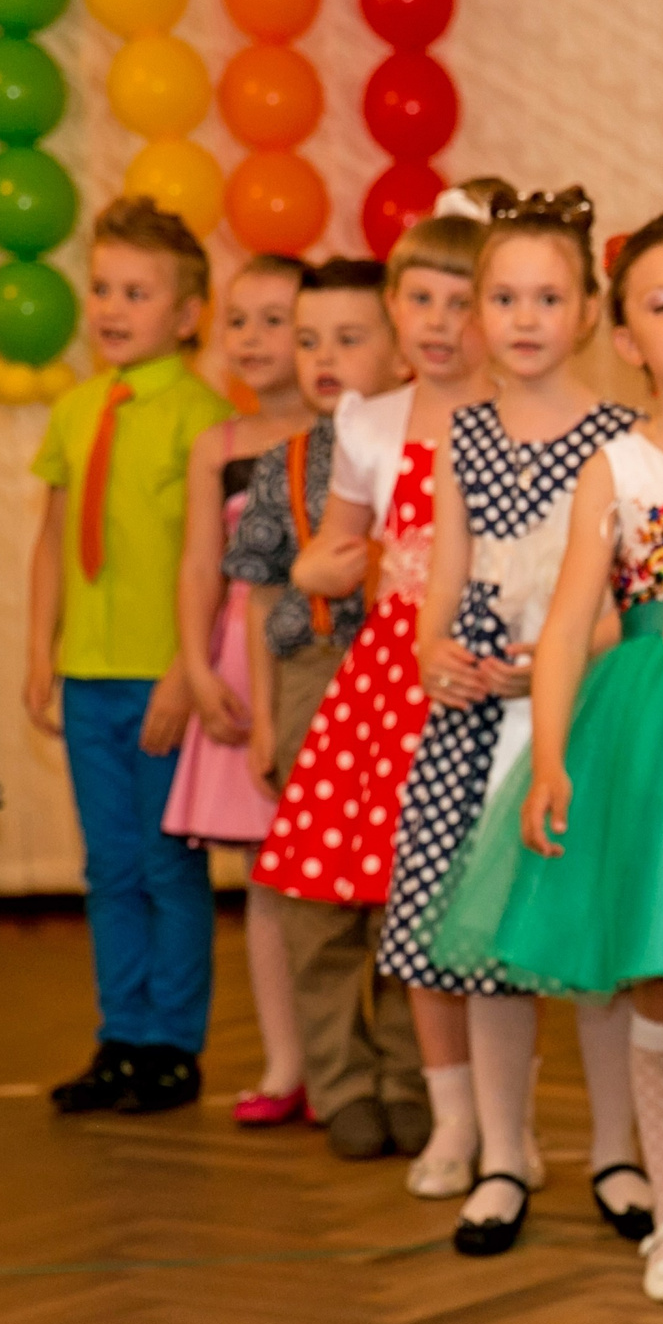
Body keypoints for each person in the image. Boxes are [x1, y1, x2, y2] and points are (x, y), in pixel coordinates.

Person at [423, 211, 663, 1302]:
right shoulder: (613, 464)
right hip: (647, 743)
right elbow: (573, 621)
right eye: (662, 306)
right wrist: (557, 755)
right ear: (624, 339)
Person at [379, 186, 638, 1257]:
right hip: (476, 723)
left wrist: (557, 664)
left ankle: (616, 1152)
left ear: (586, 311)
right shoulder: (463, 437)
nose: (524, 317)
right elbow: (443, 576)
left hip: (579, 714)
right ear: (477, 312)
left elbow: (630, 596)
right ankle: (499, 1150)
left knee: (595, 949)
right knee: (479, 944)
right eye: (503, 297)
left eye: (548, 296)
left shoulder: (619, 435)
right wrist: (438, 650)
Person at [265, 192, 522, 1197]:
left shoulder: (519, 412)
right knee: (408, 908)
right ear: (395, 305)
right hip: (391, 682)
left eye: (465, 302)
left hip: (493, 676)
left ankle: (498, 1119)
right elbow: (337, 547)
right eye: (420, 298)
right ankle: (448, 1119)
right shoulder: (366, 418)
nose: (440, 323)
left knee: (488, 908)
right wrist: (321, 567)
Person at [28, 199, 237, 1115]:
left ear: (188, 314)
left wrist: (186, 675)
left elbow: (219, 560)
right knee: (108, 865)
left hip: (167, 679)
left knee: (166, 866)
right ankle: (121, 1037)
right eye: (103, 287)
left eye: (137, 292)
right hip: (87, 676)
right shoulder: (75, 409)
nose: (112, 307)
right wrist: (41, 648)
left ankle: (173, 1047)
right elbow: (49, 541)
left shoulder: (207, 418)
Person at [227, 258, 417, 1156]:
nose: (324, 356)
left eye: (349, 337)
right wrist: (266, 717)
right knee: (318, 896)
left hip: (413, 687)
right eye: (309, 340)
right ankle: (340, 1081)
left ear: (401, 342)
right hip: (312, 679)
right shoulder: (282, 465)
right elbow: (262, 601)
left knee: (407, 888)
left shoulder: (431, 444)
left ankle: (415, 1077)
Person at [169, 252, 311, 1126]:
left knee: (339, 882)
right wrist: (192, 665)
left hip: (324, 665)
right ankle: (284, 1060)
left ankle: (345, 1061)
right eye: (240, 321)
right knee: (268, 875)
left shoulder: (347, 435)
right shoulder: (216, 444)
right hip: (236, 665)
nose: (253, 339)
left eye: (276, 322)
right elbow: (199, 566)